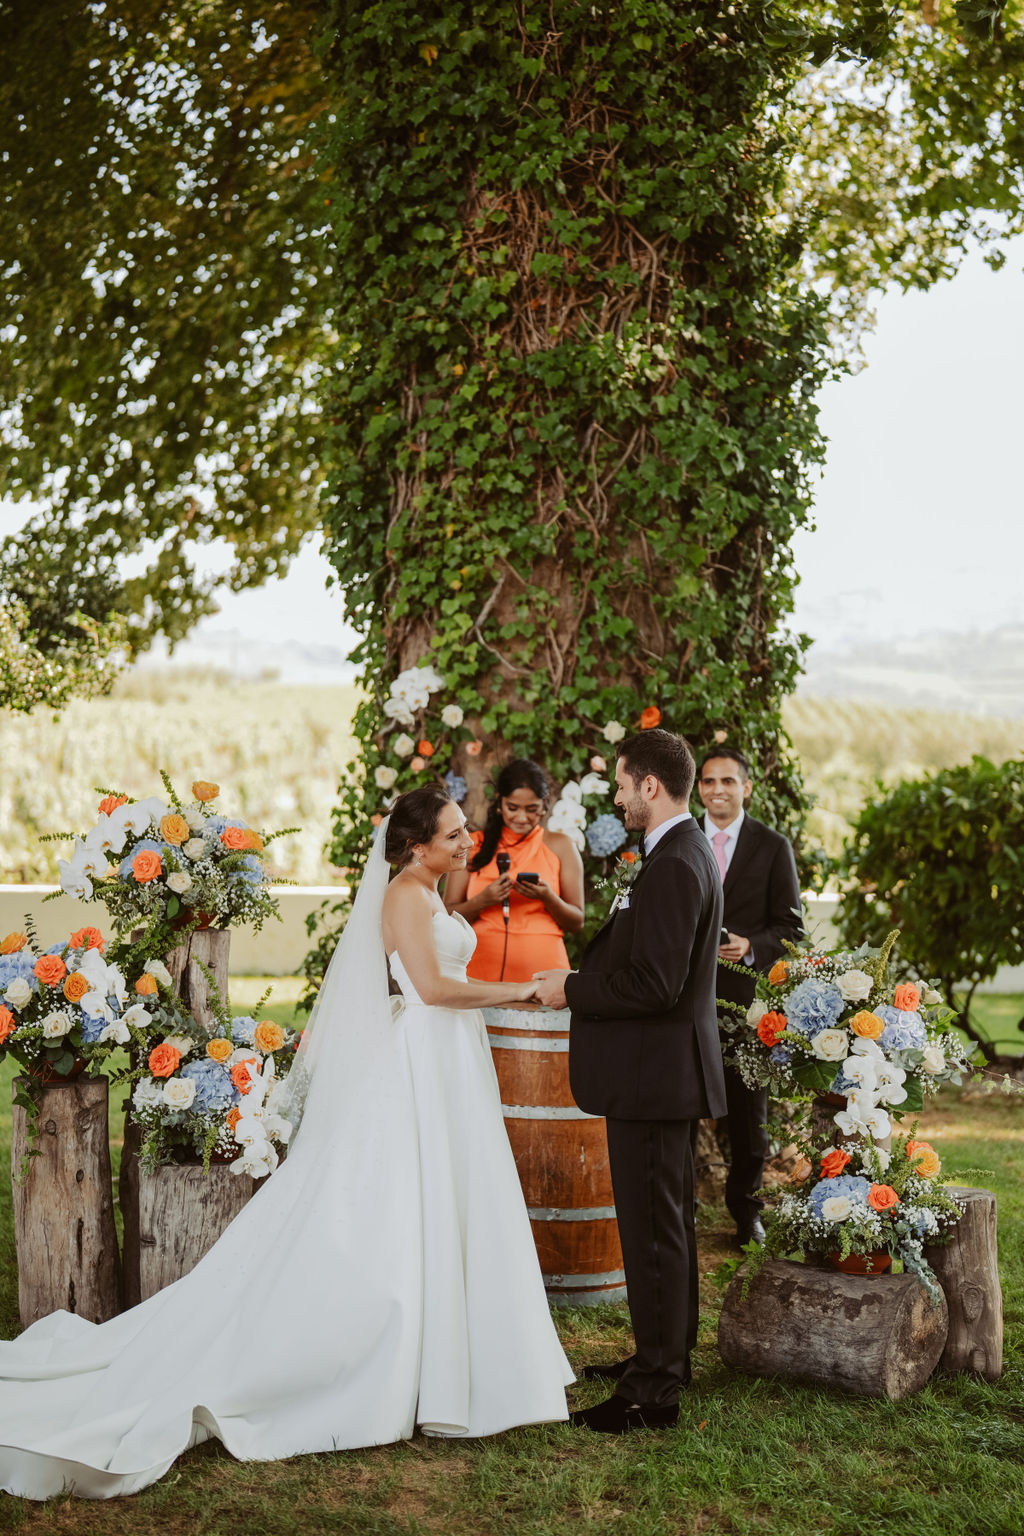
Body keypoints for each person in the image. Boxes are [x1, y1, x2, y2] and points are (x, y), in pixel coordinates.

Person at [0, 785, 572, 1500]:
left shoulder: (431, 891)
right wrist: (523, 991)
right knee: (403, 1204)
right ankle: (397, 1358)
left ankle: (453, 1356)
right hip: (425, 1057)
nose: (467, 842)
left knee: (448, 1197)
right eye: (453, 834)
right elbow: (432, 989)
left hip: (448, 1059)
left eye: (465, 830)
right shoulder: (404, 895)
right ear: (414, 846)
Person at [533, 729, 726, 1434]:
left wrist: (572, 987)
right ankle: (664, 1357)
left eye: (622, 784)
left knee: (651, 1233)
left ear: (650, 785)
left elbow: (654, 984)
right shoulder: (681, 851)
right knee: (667, 1226)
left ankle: (652, 1392)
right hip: (663, 1073)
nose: (616, 796)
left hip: (654, 1076)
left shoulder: (674, 862)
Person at [696, 748, 803, 1247]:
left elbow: (791, 928)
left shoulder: (772, 846)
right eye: (708, 781)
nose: (717, 789)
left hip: (745, 1004)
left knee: (748, 1117)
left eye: (727, 781)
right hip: (683, 997)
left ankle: (746, 1214)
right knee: (678, 1106)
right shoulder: (680, 838)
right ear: (698, 787)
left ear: (747, 788)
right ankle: (680, 1209)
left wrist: (751, 945)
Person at [444, 759, 584, 982]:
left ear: (545, 804)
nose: (521, 817)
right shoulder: (472, 845)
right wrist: (482, 901)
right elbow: (446, 916)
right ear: (499, 802)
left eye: (531, 809)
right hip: (480, 972)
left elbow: (577, 923)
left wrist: (548, 898)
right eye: (513, 808)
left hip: (545, 972)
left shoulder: (561, 846)